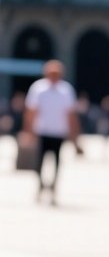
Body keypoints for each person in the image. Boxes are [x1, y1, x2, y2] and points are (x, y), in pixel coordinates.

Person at [21, 60, 83, 204]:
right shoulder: (38, 88)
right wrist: (28, 131)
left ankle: (54, 187)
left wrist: (75, 136)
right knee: (39, 162)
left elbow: (71, 115)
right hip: (42, 130)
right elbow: (31, 112)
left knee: (57, 162)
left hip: (59, 132)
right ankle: (40, 185)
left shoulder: (66, 90)